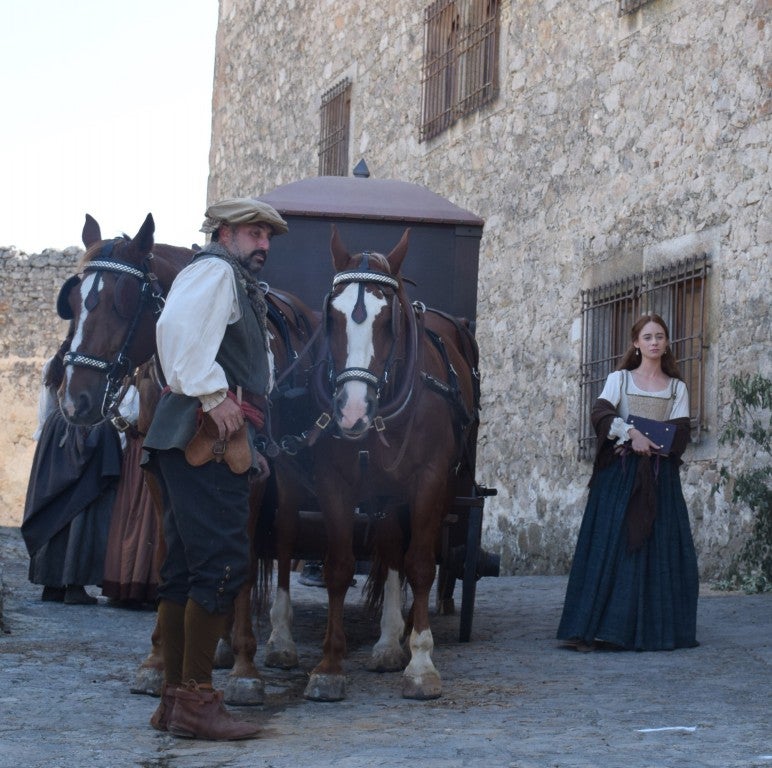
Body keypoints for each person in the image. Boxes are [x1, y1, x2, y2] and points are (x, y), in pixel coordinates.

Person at [142, 197, 288, 740]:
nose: (264, 246)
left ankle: (176, 701)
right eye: (255, 233)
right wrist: (212, 395)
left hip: (198, 435)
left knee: (184, 567)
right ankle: (198, 701)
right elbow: (176, 336)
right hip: (205, 437)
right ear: (224, 233)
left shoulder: (226, 278)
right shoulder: (213, 271)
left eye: (269, 237)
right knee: (221, 564)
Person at [557, 313, 698, 652]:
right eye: (648, 337)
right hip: (618, 478)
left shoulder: (677, 388)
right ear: (636, 343)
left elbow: (681, 432)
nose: (654, 342)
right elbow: (601, 414)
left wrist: (654, 445)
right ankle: (592, 629)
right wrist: (631, 432)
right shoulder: (619, 380)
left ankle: (649, 630)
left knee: (658, 548)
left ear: (666, 344)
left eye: (660, 337)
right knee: (611, 545)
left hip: (658, 477)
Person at [22, 339, 123, 606]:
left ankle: (51, 583)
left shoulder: (52, 366)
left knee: (54, 506)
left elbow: (45, 413)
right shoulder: (95, 367)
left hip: (55, 434)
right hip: (87, 432)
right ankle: (73, 585)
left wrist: (48, 449)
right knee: (83, 510)